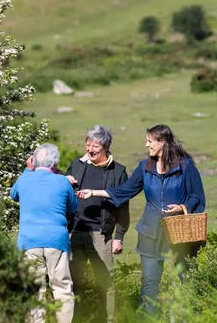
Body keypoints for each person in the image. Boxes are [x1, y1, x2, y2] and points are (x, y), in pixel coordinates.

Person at [76, 124, 205, 317]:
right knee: (149, 282)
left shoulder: (185, 167)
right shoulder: (145, 167)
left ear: (162, 143)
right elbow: (124, 191)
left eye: (150, 141)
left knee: (186, 277)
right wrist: (94, 192)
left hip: (180, 233)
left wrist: (182, 207)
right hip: (150, 232)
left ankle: (189, 318)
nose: (147, 145)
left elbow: (197, 197)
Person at [63, 125, 130, 323]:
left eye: (95, 147)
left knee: (106, 282)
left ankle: (109, 320)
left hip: (102, 234)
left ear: (106, 148)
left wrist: (119, 236)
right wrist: (65, 180)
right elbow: (64, 195)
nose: (90, 150)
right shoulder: (77, 164)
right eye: (88, 145)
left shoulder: (118, 172)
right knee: (75, 282)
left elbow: (123, 206)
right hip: (76, 231)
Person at [11, 143, 79, 323]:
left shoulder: (24, 179)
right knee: (62, 288)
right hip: (56, 241)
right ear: (55, 163)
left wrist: (27, 170)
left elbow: (13, 195)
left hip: (29, 241)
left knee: (34, 289)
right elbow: (73, 206)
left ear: (33, 160)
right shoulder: (62, 181)